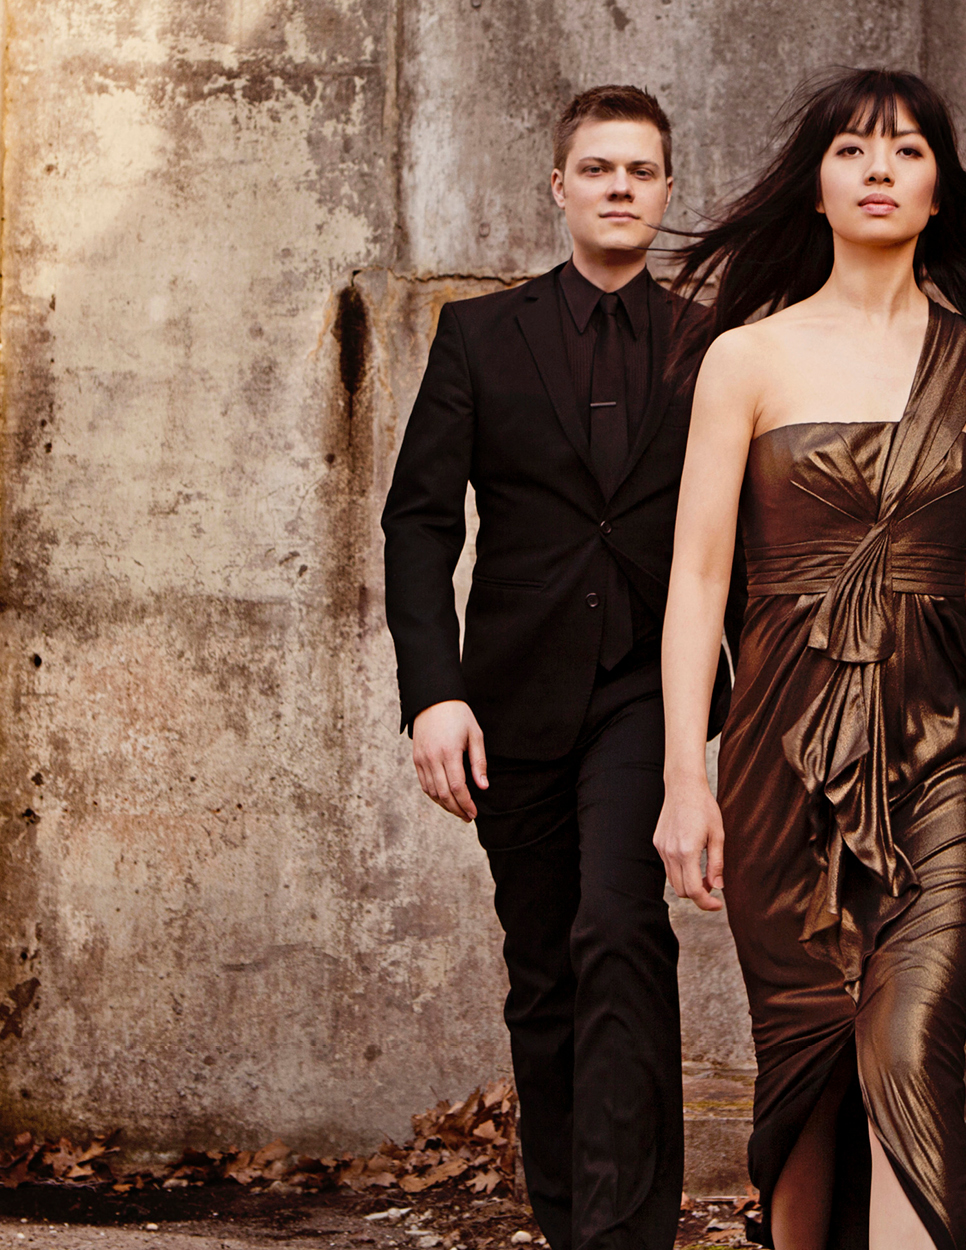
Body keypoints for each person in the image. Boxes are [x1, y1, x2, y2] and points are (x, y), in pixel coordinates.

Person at [653, 69, 966, 1250]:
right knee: (812, 1056)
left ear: (939, 192)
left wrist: (891, 644)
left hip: (942, 747)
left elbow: (957, 560)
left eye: (908, 150)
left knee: (908, 1036)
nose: (879, 168)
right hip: (775, 749)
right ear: (815, 188)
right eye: (851, 150)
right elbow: (694, 582)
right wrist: (688, 774)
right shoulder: (743, 358)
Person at [381, 85, 736, 1250]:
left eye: (641, 170)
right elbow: (419, 522)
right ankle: (568, 1220)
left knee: (618, 928)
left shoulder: (712, 346)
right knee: (542, 970)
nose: (620, 187)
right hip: (513, 697)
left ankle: (623, 1235)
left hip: (648, 682)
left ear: (668, 192)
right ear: (559, 187)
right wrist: (434, 692)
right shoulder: (478, 336)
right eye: (597, 169)